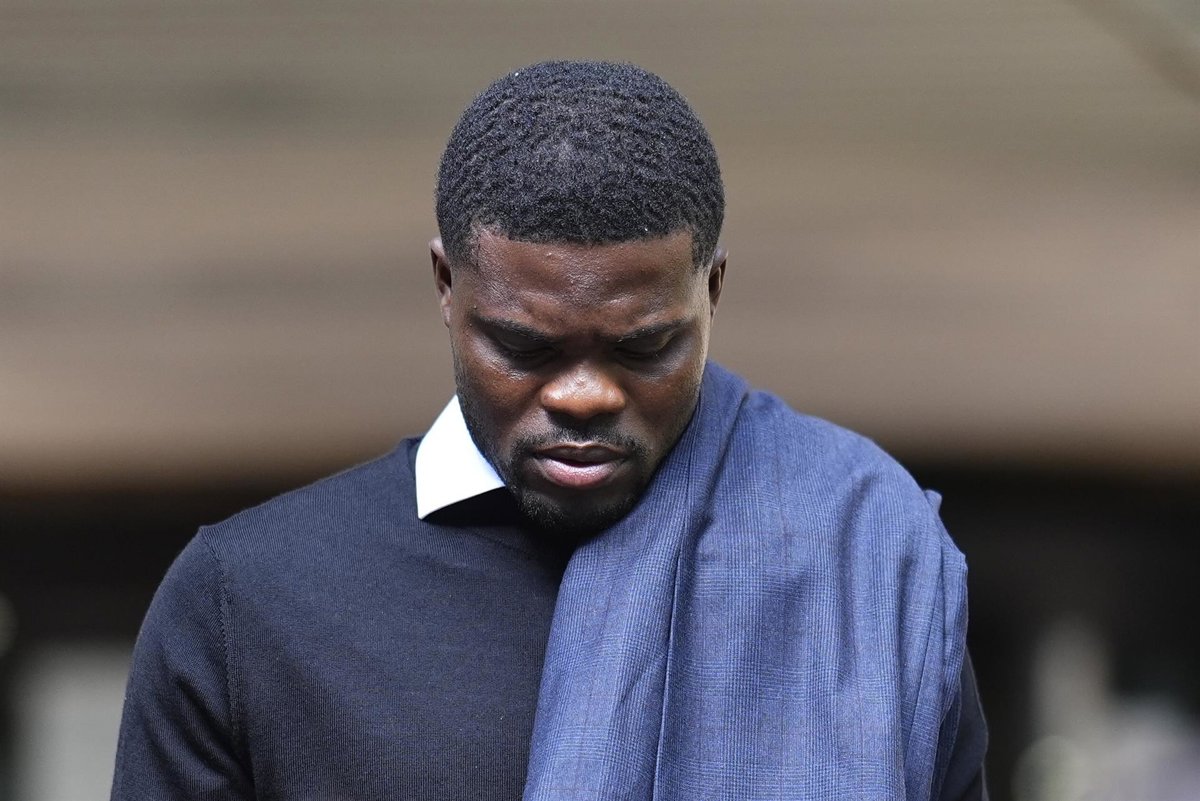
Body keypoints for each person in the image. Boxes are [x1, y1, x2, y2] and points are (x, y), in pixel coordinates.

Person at [111, 60, 988, 800]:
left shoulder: (869, 563)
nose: (582, 395)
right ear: (446, 285)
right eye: (524, 346)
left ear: (713, 290)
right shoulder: (249, 602)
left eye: (643, 347)